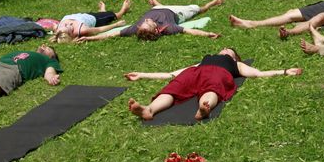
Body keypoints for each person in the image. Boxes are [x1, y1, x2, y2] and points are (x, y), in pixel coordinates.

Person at [126, 48, 302, 121]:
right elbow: (173, 74)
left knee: (212, 88)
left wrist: (285, 71)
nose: (224, 49)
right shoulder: (205, 60)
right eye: (223, 48)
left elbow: (258, 73)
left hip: (219, 74)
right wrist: (142, 75)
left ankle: (205, 107)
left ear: (234, 56)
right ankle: (149, 109)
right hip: (195, 73)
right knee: (174, 88)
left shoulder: (235, 64)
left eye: (229, 50)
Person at [76, 0, 226, 42]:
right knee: (197, 8)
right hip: (175, 12)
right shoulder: (168, 27)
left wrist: (89, 39)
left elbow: (111, 34)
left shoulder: (137, 28)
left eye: (144, 23)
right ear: (156, 29)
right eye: (147, 23)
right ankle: (211, 3)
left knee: (157, 7)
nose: (144, 21)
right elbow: (189, 30)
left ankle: (158, 4)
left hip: (156, 8)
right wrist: (208, 34)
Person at [51, 0, 133, 42]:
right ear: (72, 35)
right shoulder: (83, 30)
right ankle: (123, 10)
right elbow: (100, 29)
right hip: (95, 18)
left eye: (65, 25)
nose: (69, 24)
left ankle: (102, 12)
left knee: (103, 14)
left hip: (83, 16)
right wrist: (116, 25)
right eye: (70, 30)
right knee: (116, 15)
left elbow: (54, 27)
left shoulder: (58, 29)